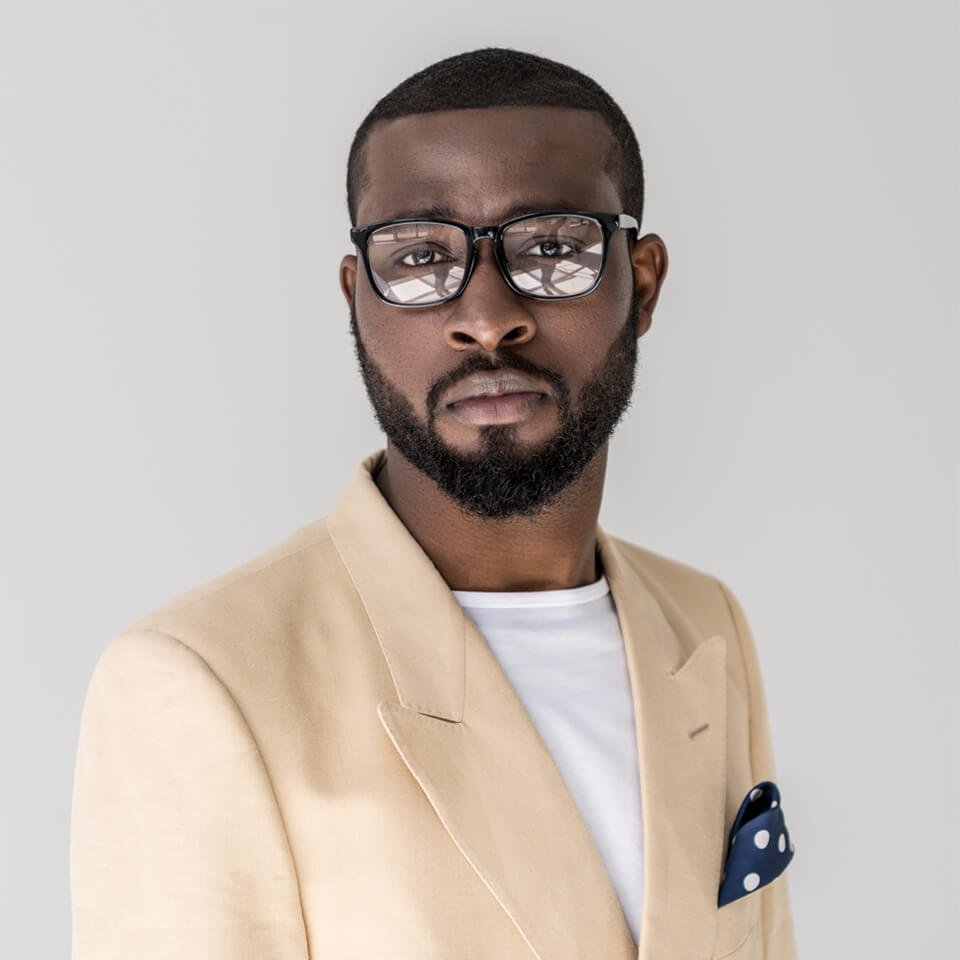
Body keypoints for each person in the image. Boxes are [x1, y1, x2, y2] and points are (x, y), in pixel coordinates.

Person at [70, 47, 799, 959]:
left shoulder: (704, 622)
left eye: (553, 248)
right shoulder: (198, 680)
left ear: (642, 284)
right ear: (357, 300)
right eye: (419, 256)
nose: (487, 317)